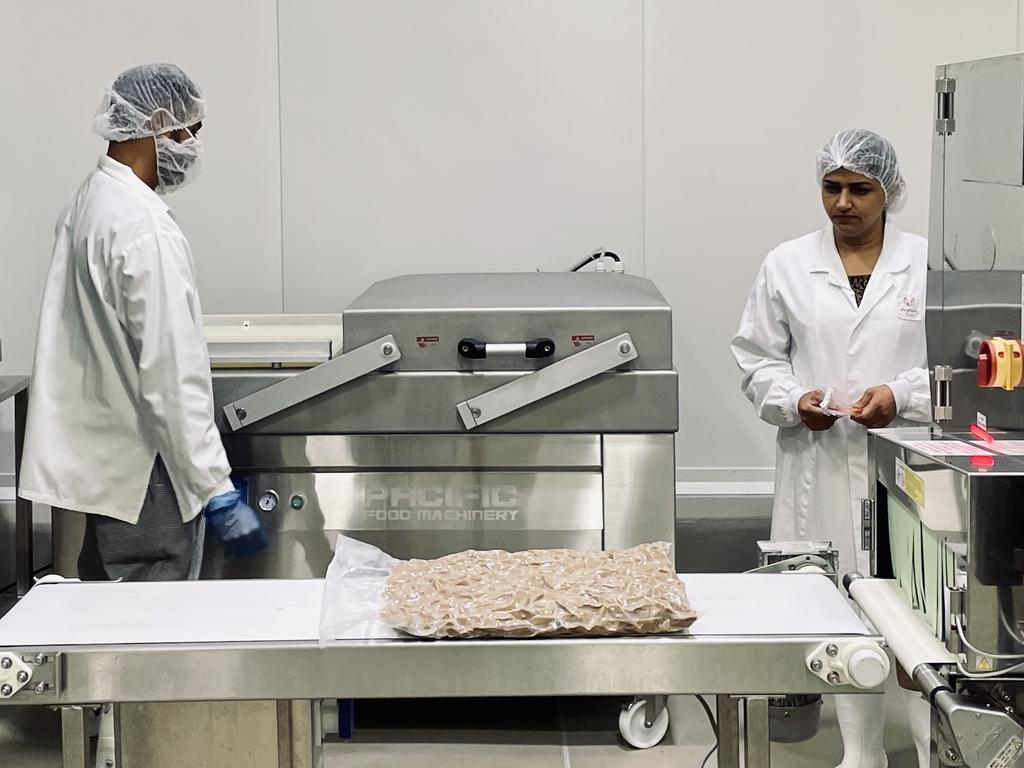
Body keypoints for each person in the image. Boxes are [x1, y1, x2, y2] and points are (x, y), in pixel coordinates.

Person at [19, 63, 269, 585]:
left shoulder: (91, 200)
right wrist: (213, 486)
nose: (192, 149)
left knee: (106, 600)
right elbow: (170, 374)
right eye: (188, 133)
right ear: (155, 123)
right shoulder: (143, 226)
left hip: (106, 459)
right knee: (146, 622)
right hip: (147, 467)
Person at [731, 129, 932, 768]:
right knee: (840, 607)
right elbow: (757, 359)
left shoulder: (927, 264)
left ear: (888, 192)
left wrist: (900, 395)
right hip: (817, 461)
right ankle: (862, 752)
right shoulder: (787, 263)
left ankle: (938, 748)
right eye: (831, 187)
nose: (843, 203)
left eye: (859, 189)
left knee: (922, 615)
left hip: (907, 465)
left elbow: (955, 363)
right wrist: (795, 401)